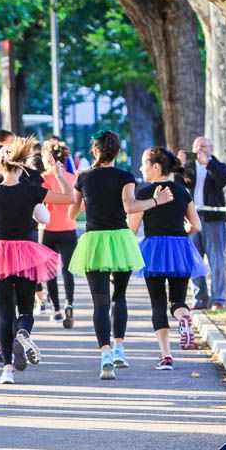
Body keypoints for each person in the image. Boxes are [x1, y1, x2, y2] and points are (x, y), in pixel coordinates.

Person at [0, 137, 75, 384]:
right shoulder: (32, 191)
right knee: (25, 310)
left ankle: (7, 370)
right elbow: (69, 199)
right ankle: (23, 332)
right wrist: (59, 175)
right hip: (27, 253)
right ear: (20, 165)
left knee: (4, 315)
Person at [68, 130, 171, 380]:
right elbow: (131, 207)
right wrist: (156, 201)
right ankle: (119, 348)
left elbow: (72, 214)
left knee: (100, 302)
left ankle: (104, 354)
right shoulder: (125, 176)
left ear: (95, 151)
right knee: (119, 297)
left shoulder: (83, 178)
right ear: (117, 152)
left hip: (94, 242)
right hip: (120, 240)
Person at [129, 147, 207, 369]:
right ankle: (183, 317)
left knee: (157, 303)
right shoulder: (183, 192)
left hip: (153, 249)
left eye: (144, 164)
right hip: (180, 249)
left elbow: (132, 229)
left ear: (155, 167)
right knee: (178, 300)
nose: (140, 168)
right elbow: (196, 226)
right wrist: (183, 234)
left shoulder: (144, 194)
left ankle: (166, 356)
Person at [186, 136, 226, 309]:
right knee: (194, 259)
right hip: (193, 218)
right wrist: (180, 164)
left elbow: (223, 180)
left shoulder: (219, 166)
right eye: (196, 146)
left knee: (216, 259)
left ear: (211, 148)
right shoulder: (188, 168)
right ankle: (200, 298)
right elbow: (178, 182)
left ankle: (219, 299)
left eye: (203, 146)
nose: (199, 149)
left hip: (213, 219)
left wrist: (208, 164)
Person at [40, 138, 78, 329]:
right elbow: (80, 205)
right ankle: (69, 303)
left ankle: (55, 310)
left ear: (47, 158)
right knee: (68, 270)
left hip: (47, 230)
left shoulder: (42, 179)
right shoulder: (71, 178)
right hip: (69, 228)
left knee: (49, 271)